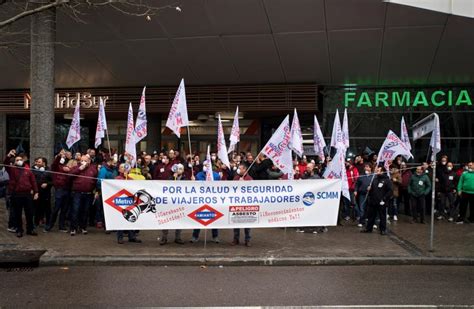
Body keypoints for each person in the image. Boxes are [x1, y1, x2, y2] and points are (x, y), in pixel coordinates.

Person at [3, 149, 39, 237]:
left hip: (27, 195)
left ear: (23, 160)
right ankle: (19, 230)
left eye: (20, 160)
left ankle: (30, 229)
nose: (19, 161)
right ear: (15, 162)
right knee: (17, 213)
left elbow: (33, 181)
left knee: (29, 213)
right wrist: (9, 155)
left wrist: (36, 192)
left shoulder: (28, 169)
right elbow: (6, 163)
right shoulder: (12, 170)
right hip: (16, 194)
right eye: (17, 160)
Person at [191, 160, 221, 243]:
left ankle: (215, 236)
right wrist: (192, 182)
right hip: (201, 200)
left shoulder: (216, 176)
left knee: (214, 218)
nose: (205, 166)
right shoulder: (198, 175)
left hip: (212, 200)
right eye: (204, 165)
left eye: (207, 165)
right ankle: (195, 236)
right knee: (198, 218)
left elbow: (220, 187)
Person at [68, 155, 98, 236]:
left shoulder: (93, 169)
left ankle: (83, 227)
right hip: (77, 193)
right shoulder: (76, 167)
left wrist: (96, 191)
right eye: (82, 160)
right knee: (75, 210)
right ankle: (73, 228)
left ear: (89, 161)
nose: (83, 162)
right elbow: (70, 176)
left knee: (85, 211)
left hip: (88, 193)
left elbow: (95, 180)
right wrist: (79, 169)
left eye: (85, 160)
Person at [361, 166, 392, 235]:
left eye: (378, 170)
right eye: (377, 170)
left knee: (382, 216)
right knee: (371, 216)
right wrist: (370, 189)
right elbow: (373, 189)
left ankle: (383, 229)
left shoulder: (387, 180)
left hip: (381, 202)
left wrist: (384, 198)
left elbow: (389, 191)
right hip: (373, 201)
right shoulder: (374, 179)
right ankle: (369, 228)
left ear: (382, 171)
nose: (376, 172)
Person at [115, 163, 142, 244]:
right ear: (119, 170)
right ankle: (120, 237)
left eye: (125, 167)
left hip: (130, 201)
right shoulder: (117, 178)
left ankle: (132, 236)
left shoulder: (130, 179)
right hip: (121, 201)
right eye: (122, 167)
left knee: (131, 217)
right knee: (120, 219)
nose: (124, 169)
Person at [45, 150, 72, 232]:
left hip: (67, 189)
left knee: (64, 209)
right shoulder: (55, 167)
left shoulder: (67, 167)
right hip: (59, 190)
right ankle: (49, 225)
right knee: (56, 208)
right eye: (62, 157)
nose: (63, 158)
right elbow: (55, 163)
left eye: (64, 157)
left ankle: (62, 226)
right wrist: (60, 155)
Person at [160, 164, 186, 245]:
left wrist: (192, 181)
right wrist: (172, 179)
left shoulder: (185, 179)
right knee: (167, 220)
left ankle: (178, 237)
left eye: (181, 169)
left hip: (180, 203)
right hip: (170, 203)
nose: (179, 170)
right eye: (178, 169)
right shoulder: (170, 178)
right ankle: (164, 238)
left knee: (179, 220)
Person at [232, 163, 253, 246]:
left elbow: (251, 190)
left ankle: (247, 240)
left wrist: (244, 184)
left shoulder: (249, 178)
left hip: (246, 205)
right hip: (237, 204)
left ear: (244, 169)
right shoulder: (236, 178)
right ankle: (235, 239)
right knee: (236, 222)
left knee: (247, 223)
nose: (238, 170)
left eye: (240, 168)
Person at [96, 157, 118, 229]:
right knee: (103, 208)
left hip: (112, 191)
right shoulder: (103, 169)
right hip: (104, 191)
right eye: (114, 163)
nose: (115, 164)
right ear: (109, 162)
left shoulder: (114, 169)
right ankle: (103, 223)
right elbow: (100, 181)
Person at [32, 157, 53, 228]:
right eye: (37, 162)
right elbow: (32, 180)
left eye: (39, 162)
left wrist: (47, 184)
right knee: (37, 208)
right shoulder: (35, 170)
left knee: (47, 209)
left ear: (44, 163)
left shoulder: (49, 170)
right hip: (37, 192)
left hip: (46, 193)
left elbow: (53, 181)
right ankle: (36, 223)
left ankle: (48, 223)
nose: (37, 163)